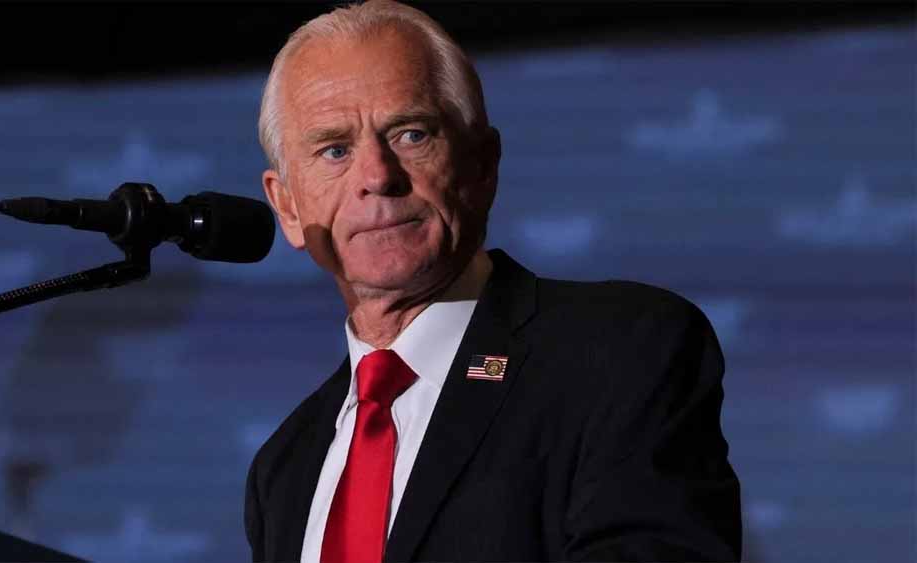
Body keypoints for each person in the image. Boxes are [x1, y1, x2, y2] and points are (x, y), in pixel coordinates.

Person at [244, 1, 741, 561]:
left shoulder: (622, 352)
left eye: (410, 135)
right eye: (334, 150)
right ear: (287, 206)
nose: (377, 176)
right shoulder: (283, 469)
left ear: (482, 164)